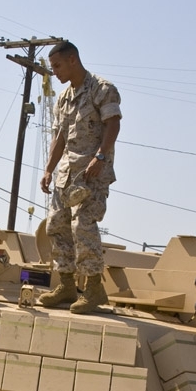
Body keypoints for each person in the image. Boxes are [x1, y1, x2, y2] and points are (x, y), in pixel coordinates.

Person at [39, 41, 122, 315]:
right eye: (52, 68)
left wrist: (100, 157)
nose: (56, 72)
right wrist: (49, 169)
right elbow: (59, 138)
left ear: (73, 59)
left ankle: (95, 289)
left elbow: (113, 124)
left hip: (92, 173)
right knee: (56, 225)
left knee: (83, 225)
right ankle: (66, 284)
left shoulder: (102, 89)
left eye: (58, 66)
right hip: (66, 173)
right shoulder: (62, 99)